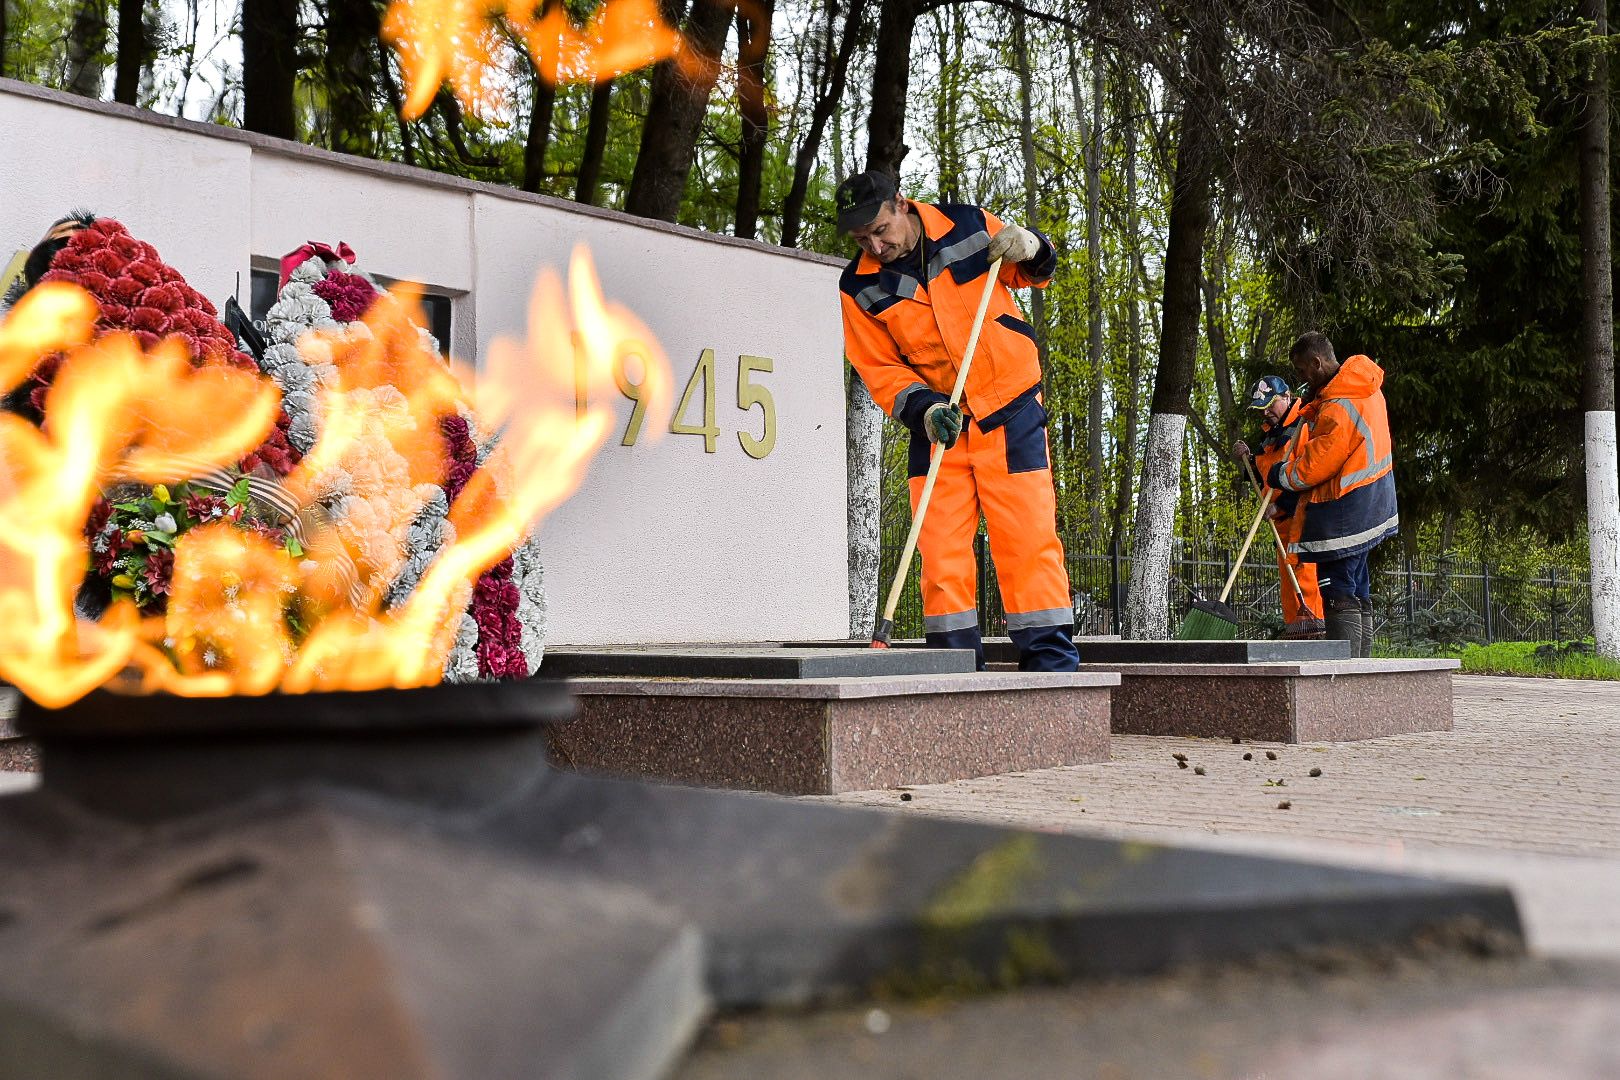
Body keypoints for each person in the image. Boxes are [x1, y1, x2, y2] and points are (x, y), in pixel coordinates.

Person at [836, 169, 1078, 672]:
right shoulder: (858, 285)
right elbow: (878, 367)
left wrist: (1032, 245)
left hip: (1009, 409)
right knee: (941, 551)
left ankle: (1052, 668)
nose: (875, 246)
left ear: (901, 204)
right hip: (937, 424)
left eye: (880, 230)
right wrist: (924, 410)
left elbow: (1032, 272)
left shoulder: (966, 225)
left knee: (1027, 538)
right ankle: (952, 671)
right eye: (863, 239)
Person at [1267, 333, 1399, 657]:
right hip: (1372, 501)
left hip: (1346, 507)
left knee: (1337, 588)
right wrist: (1315, 408)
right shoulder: (1361, 388)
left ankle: (1346, 671)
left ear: (1317, 363)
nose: (1301, 378)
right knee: (1357, 586)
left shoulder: (1340, 404)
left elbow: (1317, 462)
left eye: (1302, 370)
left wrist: (1280, 475)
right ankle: (1361, 666)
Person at [1234, 375, 1325, 639]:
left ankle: (1317, 635)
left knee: (1306, 575)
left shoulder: (1303, 426)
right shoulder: (1269, 437)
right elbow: (1267, 477)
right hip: (1281, 526)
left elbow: (1312, 475)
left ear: (1287, 396)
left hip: (1303, 519)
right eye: (1261, 407)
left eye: (1270, 403)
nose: (1266, 411)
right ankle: (1298, 635)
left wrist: (1282, 506)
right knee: (1289, 584)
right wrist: (1249, 461)